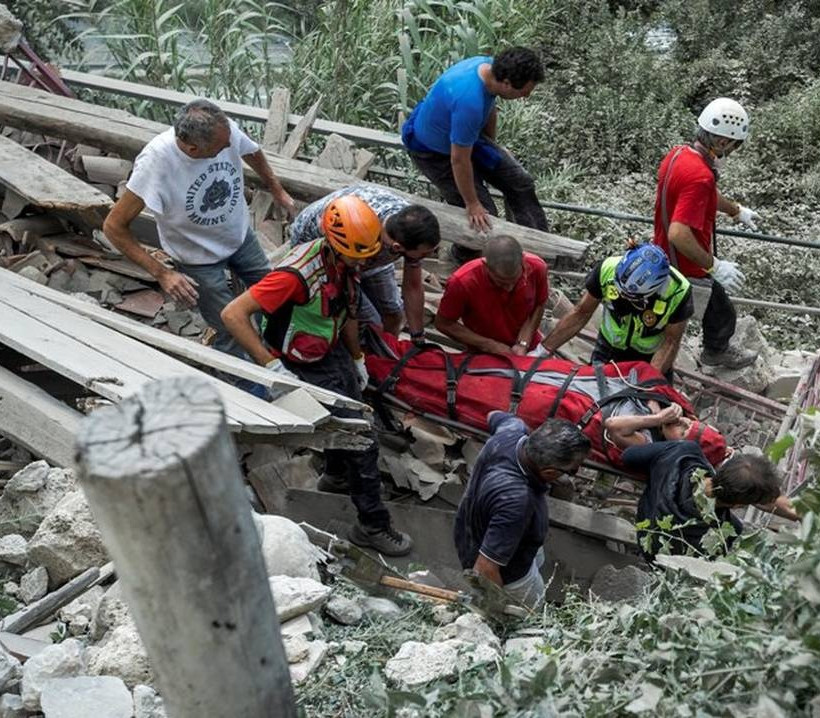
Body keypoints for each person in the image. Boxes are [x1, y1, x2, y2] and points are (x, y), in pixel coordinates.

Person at [220, 195, 413, 556]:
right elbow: (233, 314)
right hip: (300, 358)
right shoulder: (295, 275)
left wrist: (356, 357)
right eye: (361, 255)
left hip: (328, 345)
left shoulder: (344, 261)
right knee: (362, 437)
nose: (367, 261)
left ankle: (336, 475)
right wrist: (269, 365)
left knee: (355, 402)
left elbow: (348, 310)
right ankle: (372, 525)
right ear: (339, 245)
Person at [103, 99, 296, 360]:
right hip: (198, 259)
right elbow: (113, 226)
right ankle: (245, 385)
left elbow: (251, 151)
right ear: (193, 149)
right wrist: (162, 273)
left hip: (240, 237)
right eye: (221, 148)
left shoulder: (223, 130)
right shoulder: (156, 163)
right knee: (229, 328)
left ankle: (279, 355)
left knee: (275, 302)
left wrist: (277, 189)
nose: (230, 146)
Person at [401, 46, 548, 263]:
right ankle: (459, 257)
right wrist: (472, 203)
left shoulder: (488, 67)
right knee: (483, 218)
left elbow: (490, 107)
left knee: (520, 182)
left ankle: (536, 250)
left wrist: (492, 146)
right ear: (506, 83)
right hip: (434, 153)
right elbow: (458, 160)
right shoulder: (469, 101)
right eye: (524, 92)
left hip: (466, 138)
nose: (527, 96)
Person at [653, 97, 760, 370]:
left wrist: (735, 210)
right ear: (722, 142)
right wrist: (714, 265)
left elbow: (706, 193)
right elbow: (679, 232)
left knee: (713, 309)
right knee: (721, 311)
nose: (733, 152)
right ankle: (715, 352)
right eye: (734, 146)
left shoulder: (678, 154)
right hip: (684, 263)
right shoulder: (701, 175)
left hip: (662, 252)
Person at [454, 411, 590, 607]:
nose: (573, 474)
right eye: (572, 470)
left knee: (536, 560)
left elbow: (493, 415)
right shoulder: (516, 501)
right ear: (549, 471)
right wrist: (501, 607)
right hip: (510, 574)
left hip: (477, 529)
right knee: (530, 611)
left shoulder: (511, 431)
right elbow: (484, 569)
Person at [289, 185, 441, 342]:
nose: (429, 256)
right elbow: (346, 277)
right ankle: (364, 355)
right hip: (329, 250)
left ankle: (387, 352)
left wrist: (418, 337)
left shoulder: (409, 227)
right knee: (371, 325)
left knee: (394, 313)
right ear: (397, 247)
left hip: (367, 252)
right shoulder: (361, 234)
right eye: (424, 254)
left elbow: (413, 287)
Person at [539, 244, 693, 379]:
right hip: (608, 348)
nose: (622, 295)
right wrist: (543, 350)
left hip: (650, 356)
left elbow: (670, 342)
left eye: (630, 296)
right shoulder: (607, 269)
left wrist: (649, 381)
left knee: (654, 404)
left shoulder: (678, 292)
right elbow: (581, 313)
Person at [623, 443, 783, 557]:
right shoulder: (726, 533)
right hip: (653, 556)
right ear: (738, 505)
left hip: (645, 518)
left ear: (722, 467)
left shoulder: (682, 454)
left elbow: (629, 456)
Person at [434, 235, 549, 354]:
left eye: (514, 281)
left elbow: (539, 305)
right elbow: (444, 323)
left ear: (523, 262)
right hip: (483, 353)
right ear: (485, 265)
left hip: (529, 345)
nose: (509, 288)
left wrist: (523, 343)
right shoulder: (462, 282)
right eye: (501, 282)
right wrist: (488, 344)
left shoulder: (537, 267)